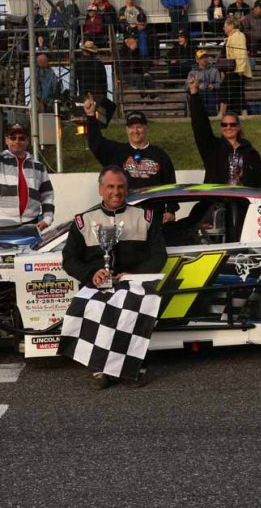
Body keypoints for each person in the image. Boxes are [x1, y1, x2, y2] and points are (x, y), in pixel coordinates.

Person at [61, 165, 167, 389]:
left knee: (135, 306)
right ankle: (101, 368)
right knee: (96, 306)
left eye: (120, 187)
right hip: (97, 284)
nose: (115, 192)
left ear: (127, 189)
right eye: (110, 187)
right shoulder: (83, 221)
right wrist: (91, 274)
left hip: (134, 283)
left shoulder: (146, 217)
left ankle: (133, 369)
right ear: (100, 189)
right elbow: (69, 259)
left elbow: (159, 255)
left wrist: (134, 275)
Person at [83, 96, 177, 221]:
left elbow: (170, 184)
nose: (135, 131)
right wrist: (90, 116)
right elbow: (96, 143)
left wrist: (170, 210)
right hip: (124, 217)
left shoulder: (160, 155)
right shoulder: (117, 152)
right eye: (131, 127)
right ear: (126, 129)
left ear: (146, 128)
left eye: (139, 126)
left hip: (154, 217)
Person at [0, 118, 54, 229]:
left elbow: (47, 195)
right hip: (2, 224)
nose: (17, 141)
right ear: (6, 140)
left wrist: (47, 219)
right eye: (13, 138)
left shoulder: (38, 166)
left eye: (21, 138)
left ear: (27, 141)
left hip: (32, 224)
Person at [188, 75, 261, 188]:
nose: (228, 127)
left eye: (232, 124)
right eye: (224, 124)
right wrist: (194, 92)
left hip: (243, 198)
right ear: (221, 128)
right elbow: (200, 125)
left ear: (238, 127)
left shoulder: (250, 152)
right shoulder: (212, 148)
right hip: (218, 198)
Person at [219, 16, 251, 117]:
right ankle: (244, 113)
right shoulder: (233, 36)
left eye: (225, 26)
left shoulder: (238, 35)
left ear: (231, 26)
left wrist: (240, 70)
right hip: (235, 69)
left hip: (236, 69)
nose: (223, 28)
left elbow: (240, 53)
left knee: (224, 88)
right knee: (238, 92)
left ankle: (221, 113)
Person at [186, 50, 222, 116]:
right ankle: (199, 114)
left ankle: (211, 115)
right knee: (198, 93)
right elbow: (186, 87)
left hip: (211, 93)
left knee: (209, 92)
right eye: (201, 58)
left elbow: (219, 85)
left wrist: (213, 86)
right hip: (198, 93)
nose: (204, 59)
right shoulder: (192, 72)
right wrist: (196, 86)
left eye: (205, 57)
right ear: (197, 60)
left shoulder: (215, 71)